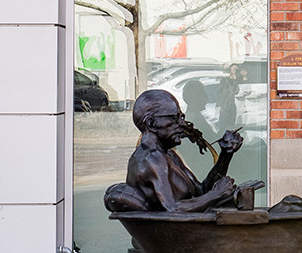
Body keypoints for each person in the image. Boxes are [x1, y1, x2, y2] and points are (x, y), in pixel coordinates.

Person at [103, 88, 244, 213]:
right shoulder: (150, 159)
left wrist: (226, 154)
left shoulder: (168, 155)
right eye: (174, 118)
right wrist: (216, 194)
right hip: (171, 239)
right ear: (151, 123)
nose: (182, 124)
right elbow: (172, 209)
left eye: (181, 117)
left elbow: (202, 191)